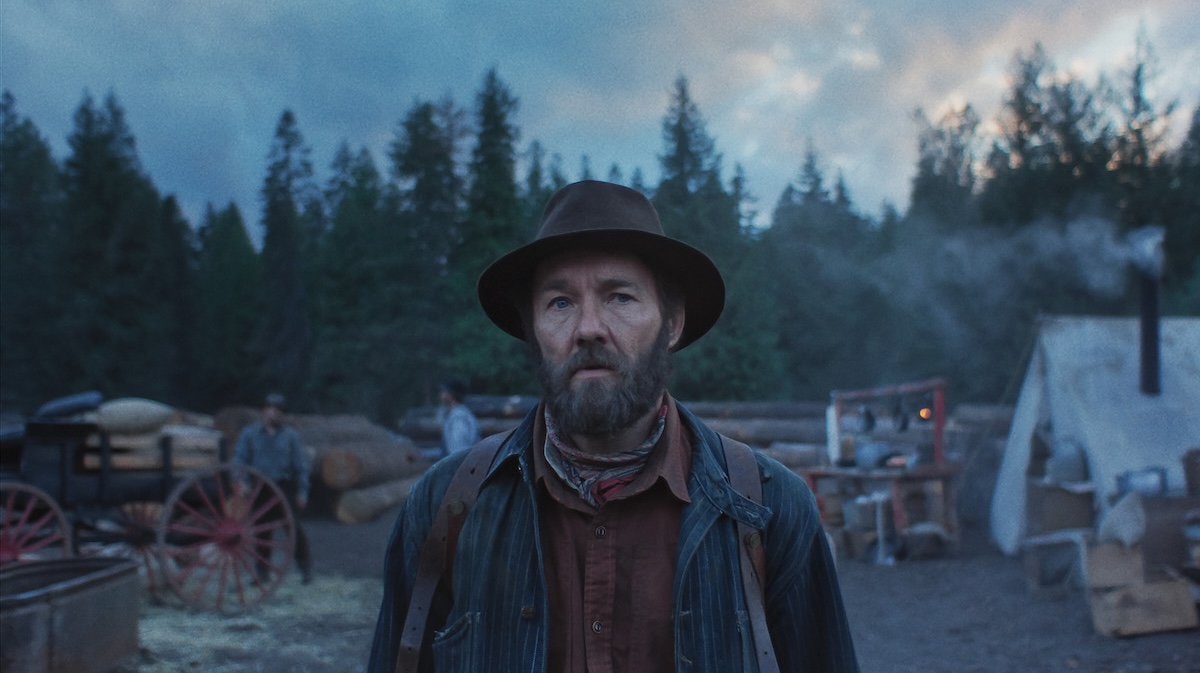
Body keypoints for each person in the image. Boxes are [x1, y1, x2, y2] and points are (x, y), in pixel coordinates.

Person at [368, 181, 858, 672]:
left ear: (672, 324)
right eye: (560, 302)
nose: (588, 328)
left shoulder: (771, 509)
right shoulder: (445, 506)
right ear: (533, 331)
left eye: (619, 297)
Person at [233, 392, 314, 584]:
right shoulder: (250, 434)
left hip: (284, 487)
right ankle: (262, 573)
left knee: (294, 529)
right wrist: (241, 481)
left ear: (283, 414)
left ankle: (305, 568)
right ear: (263, 411)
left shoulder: (291, 436)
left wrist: (302, 491)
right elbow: (240, 460)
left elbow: (300, 467)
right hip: (260, 489)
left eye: (278, 410)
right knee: (262, 532)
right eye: (270, 409)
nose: (274, 413)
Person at [439, 379, 480, 456]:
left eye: (444, 391)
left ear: (451, 395)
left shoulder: (459, 416)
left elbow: (459, 449)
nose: (441, 394)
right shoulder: (455, 414)